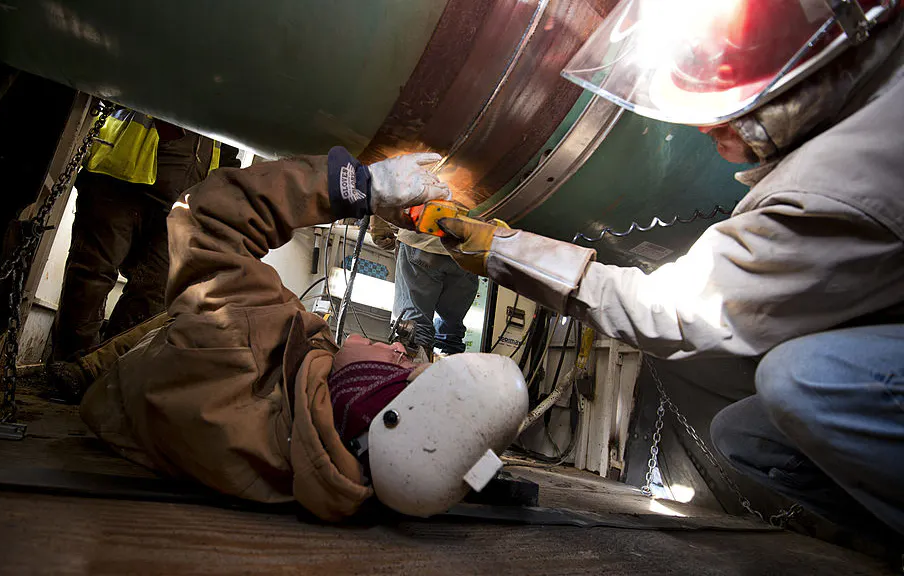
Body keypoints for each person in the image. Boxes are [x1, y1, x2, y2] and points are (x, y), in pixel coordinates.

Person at [437, 0, 904, 541]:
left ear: (792, 86)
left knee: (803, 379)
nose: (703, 129)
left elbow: (674, 312)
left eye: (718, 115)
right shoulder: (862, 99)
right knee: (749, 435)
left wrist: (504, 251)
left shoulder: (831, 183)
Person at [71, 148, 530, 521]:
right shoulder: (339, 455)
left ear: (359, 393)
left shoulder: (239, 349)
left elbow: (208, 216)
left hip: (132, 370)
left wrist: (354, 186)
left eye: (401, 365)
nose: (397, 346)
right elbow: (414, 445)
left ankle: (77, 368)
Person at [51, 105, 240, 361]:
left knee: (154, 288)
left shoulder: (231, 87)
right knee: (92, 273)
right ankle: (70, 364)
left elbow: (227, 146)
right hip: (119, 176)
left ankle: (106, 370)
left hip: (182, 196)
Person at [370, 217, 479, 355]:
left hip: (422, 238)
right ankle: (448, 371)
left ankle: (414, 374)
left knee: (414, 330)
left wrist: (378, 227)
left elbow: (381, 195)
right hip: (468, 248)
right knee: (450, 332)